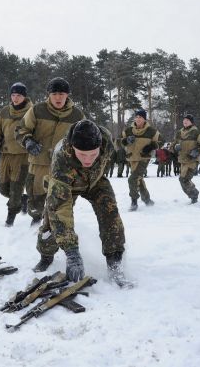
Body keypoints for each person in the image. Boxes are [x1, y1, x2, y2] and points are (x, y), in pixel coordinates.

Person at [32, 120, 129, 287]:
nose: (88, 160)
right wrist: (72, 253)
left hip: (96, 182)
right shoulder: (61, 157)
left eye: (93, 154)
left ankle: (114, 264)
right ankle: (46, 256)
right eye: (82, 155)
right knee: (52, 220)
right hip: (66, 184)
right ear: (73, 147)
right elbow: (60, 209)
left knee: (111, 215)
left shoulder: (106, 140)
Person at [16, 77, 85, 226]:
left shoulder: (77, 116)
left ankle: (56, 226)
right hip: (38, 162)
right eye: (54, 94)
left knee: (60, 199)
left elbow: (84, 138)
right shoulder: (37, 110)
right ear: (49, 95)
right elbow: (21, 129)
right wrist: (28, 141)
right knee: (36, 199)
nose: (58, 97)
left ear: (67, 95)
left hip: (64, 165)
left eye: (62, 93)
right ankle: (35, 222)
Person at [0, 82, 33, 226]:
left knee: (16, 187)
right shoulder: (4, 111)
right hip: (6, 154)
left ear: (24, 96)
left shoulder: (32, 112)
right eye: (13, 95)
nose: (15, 98)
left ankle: (10, 218)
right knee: (3, 189)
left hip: (22, 155)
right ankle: (23, 199)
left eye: (19, 95)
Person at [121, 109, 162, 211]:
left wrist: (151, 146)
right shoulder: (128, 130)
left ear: (144, 119)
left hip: (144, 158)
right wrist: (126, 140)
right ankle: (147, 200)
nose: (138, 119)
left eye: (141, 117)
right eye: (137, 117)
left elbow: (161, 141)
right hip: (131, 157)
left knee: (133, 179)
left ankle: (134, 202)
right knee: (138, 179)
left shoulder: (151, 131)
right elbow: (118, 142)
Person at [171, 114, 200, 203]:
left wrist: (198, 151)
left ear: (191, 122)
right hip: (182, 160)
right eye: (184, 120)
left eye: (187, 120)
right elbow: (172, 145)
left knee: (184, 179)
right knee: (183, 180)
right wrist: (174, 148)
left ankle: (194, 195)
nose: (185, 121)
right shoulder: (179, 133)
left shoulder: (196, 132)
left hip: (192, 160)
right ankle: (194, 193)